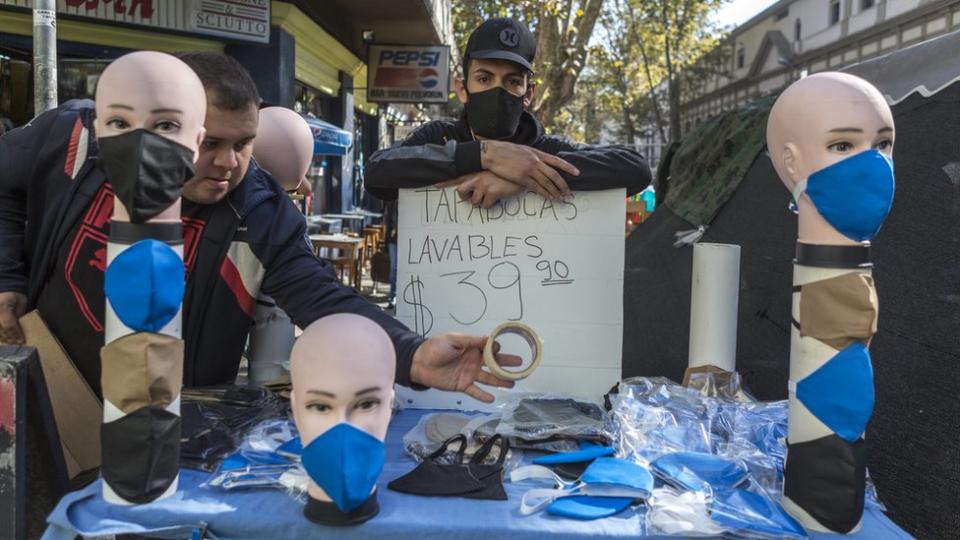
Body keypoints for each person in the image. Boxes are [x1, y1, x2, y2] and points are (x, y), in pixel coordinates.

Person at [0, 51, 518, 405]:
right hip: (40, 391)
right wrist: (8, 278)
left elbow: (323, 298)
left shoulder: (263, 211)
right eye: (210, 143)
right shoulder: (76, 140)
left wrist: (411, 353)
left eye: (244, 143)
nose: (229, 162)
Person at [365, 17, 652, 206]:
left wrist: (523, 174)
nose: (497, 90)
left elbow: (636, 170)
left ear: (528, 94)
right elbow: (377, 173)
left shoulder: (547, 148)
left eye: (512, 81)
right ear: (462, 89)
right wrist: (484, 155)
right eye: (484, 78)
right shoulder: (438, 137)